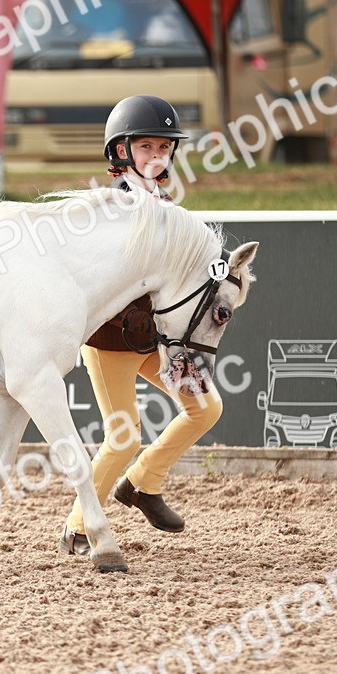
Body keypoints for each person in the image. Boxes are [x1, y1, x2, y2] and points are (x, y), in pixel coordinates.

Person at [60, 94, 223, 557]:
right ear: (121, 152)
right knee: (123, 433)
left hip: (155, 340)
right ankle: (77, 524)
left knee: (206, 409)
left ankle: (141, 483)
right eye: (146, 147)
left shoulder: (165, 203)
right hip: (111, 341)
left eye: (164, 148)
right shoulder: (111, 208)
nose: (157, 156)